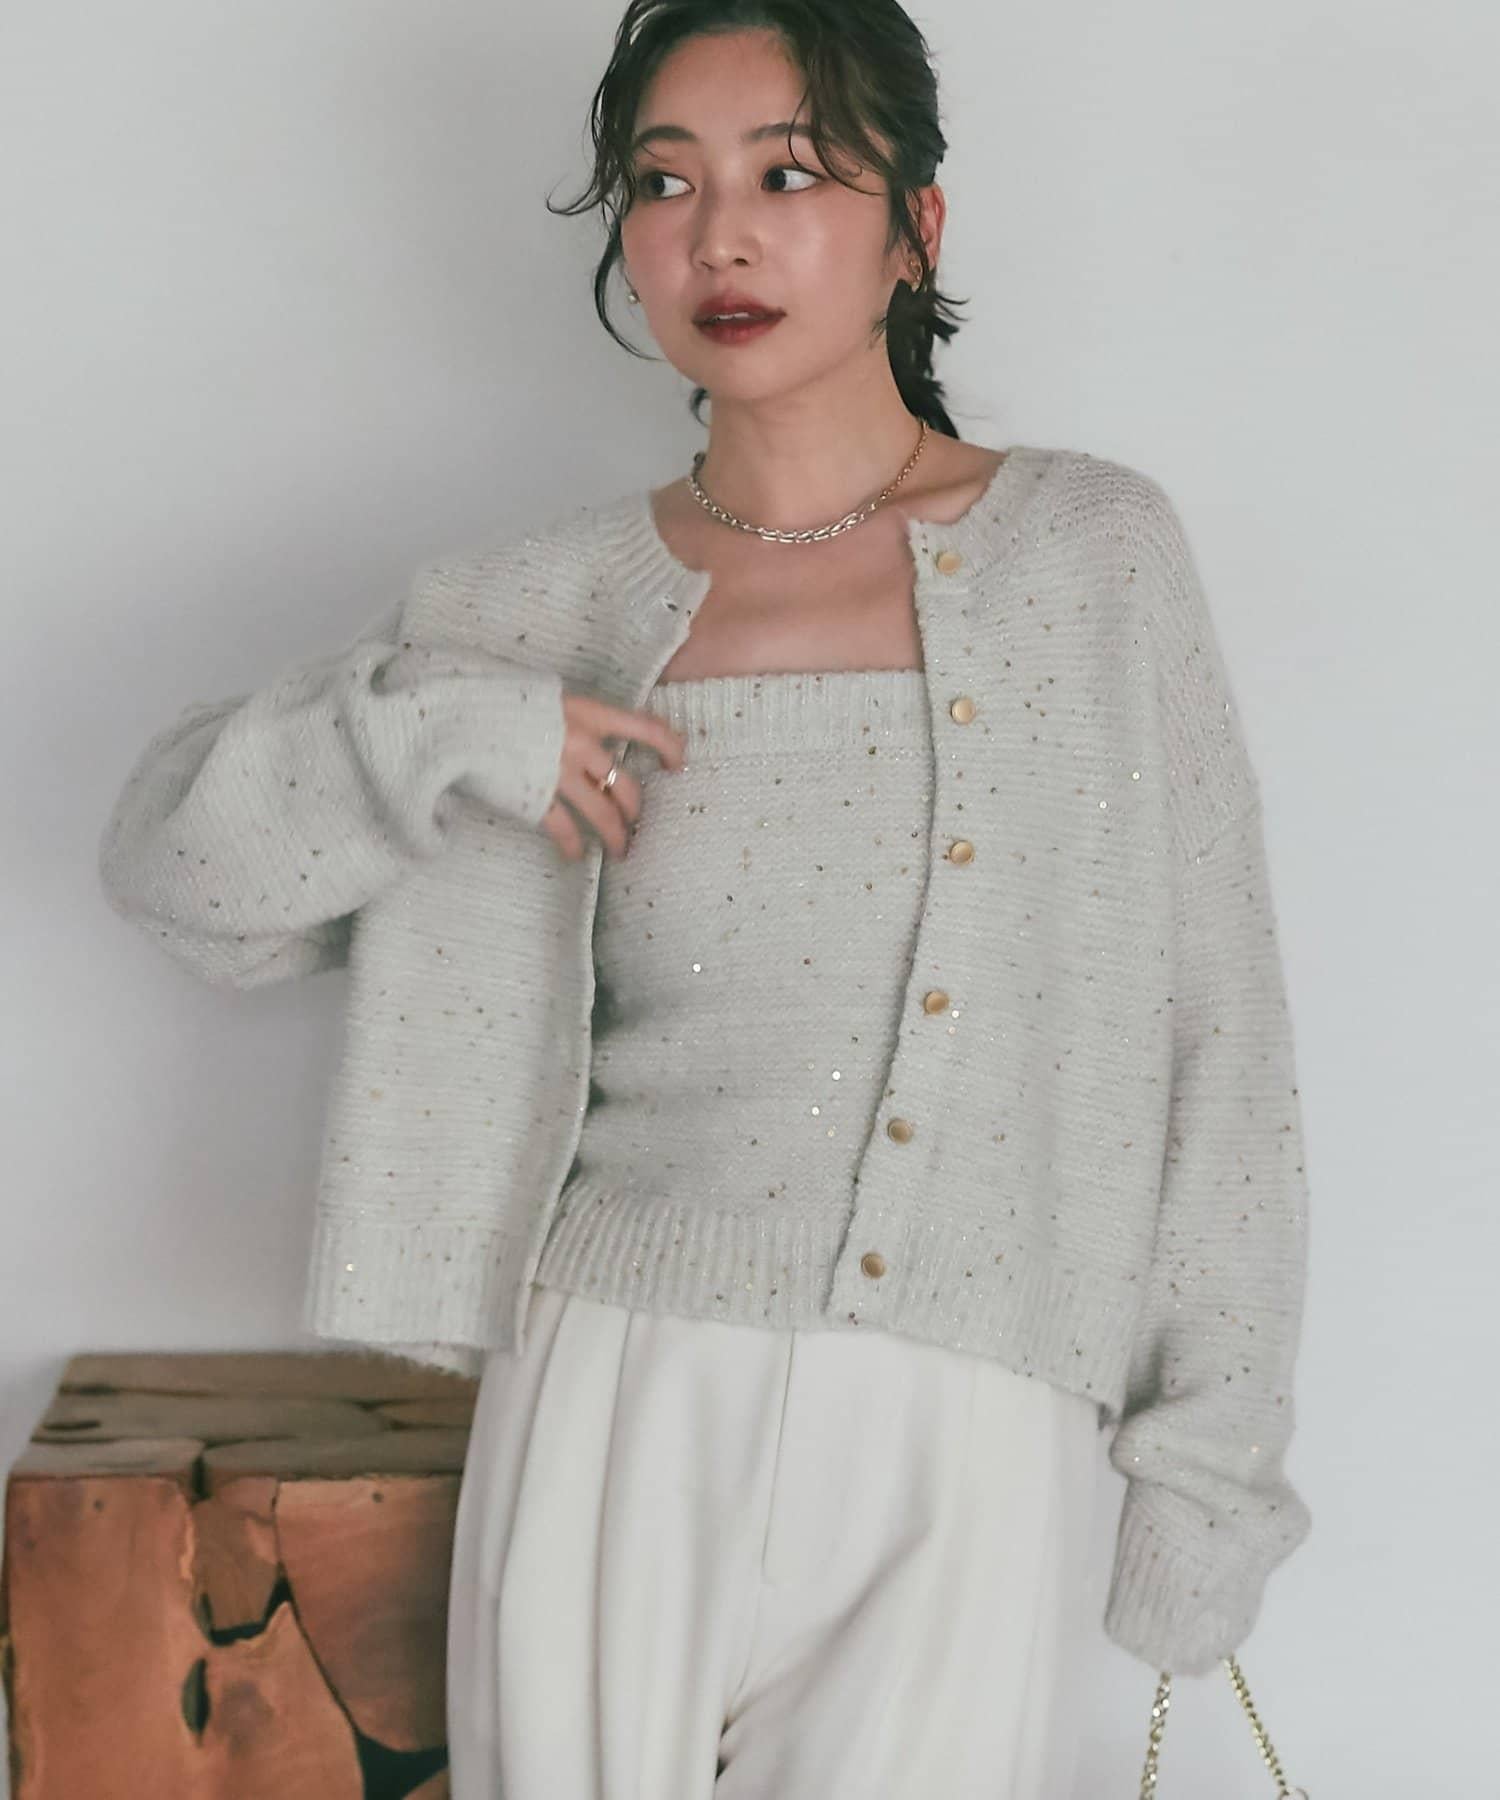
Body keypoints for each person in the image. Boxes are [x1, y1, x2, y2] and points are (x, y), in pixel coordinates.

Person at [96, 2, 1314, 1796]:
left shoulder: (1089, 559)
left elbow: (1220, 1027)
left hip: (971, 1418)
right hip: (614, 1397)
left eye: (790, 175)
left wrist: (1210, 1467)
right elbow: (183, 882)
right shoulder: (528, 609)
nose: (719, 234)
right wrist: (441, 735)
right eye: (665, 184)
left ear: (917, 226)